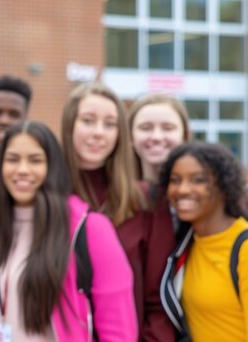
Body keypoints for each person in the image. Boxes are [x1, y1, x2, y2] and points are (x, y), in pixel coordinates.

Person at [0, 121, 137, 341]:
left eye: (35, 160)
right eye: (13, 159)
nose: (22, 170)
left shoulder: (89, 228)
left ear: (52, 167)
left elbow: (119, 331)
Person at [60, 82, 174, 341]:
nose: (99, 132)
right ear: (69, 126)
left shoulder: (146, 200)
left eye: (110, 124)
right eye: (88, 121)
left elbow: (158, 301)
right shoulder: (49, 198)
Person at [159, 142, 248, 341]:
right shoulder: (187, 244)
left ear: (225, 185)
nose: (182, 189)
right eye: (175, 180)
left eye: (198, 180)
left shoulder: (243, 247)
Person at [128, 93, 191, 184]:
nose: (156, 137)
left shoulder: (204, 194)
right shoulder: (115, 193)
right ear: (130, 136)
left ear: (185, 135)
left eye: (168, 128)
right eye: (146, 128)